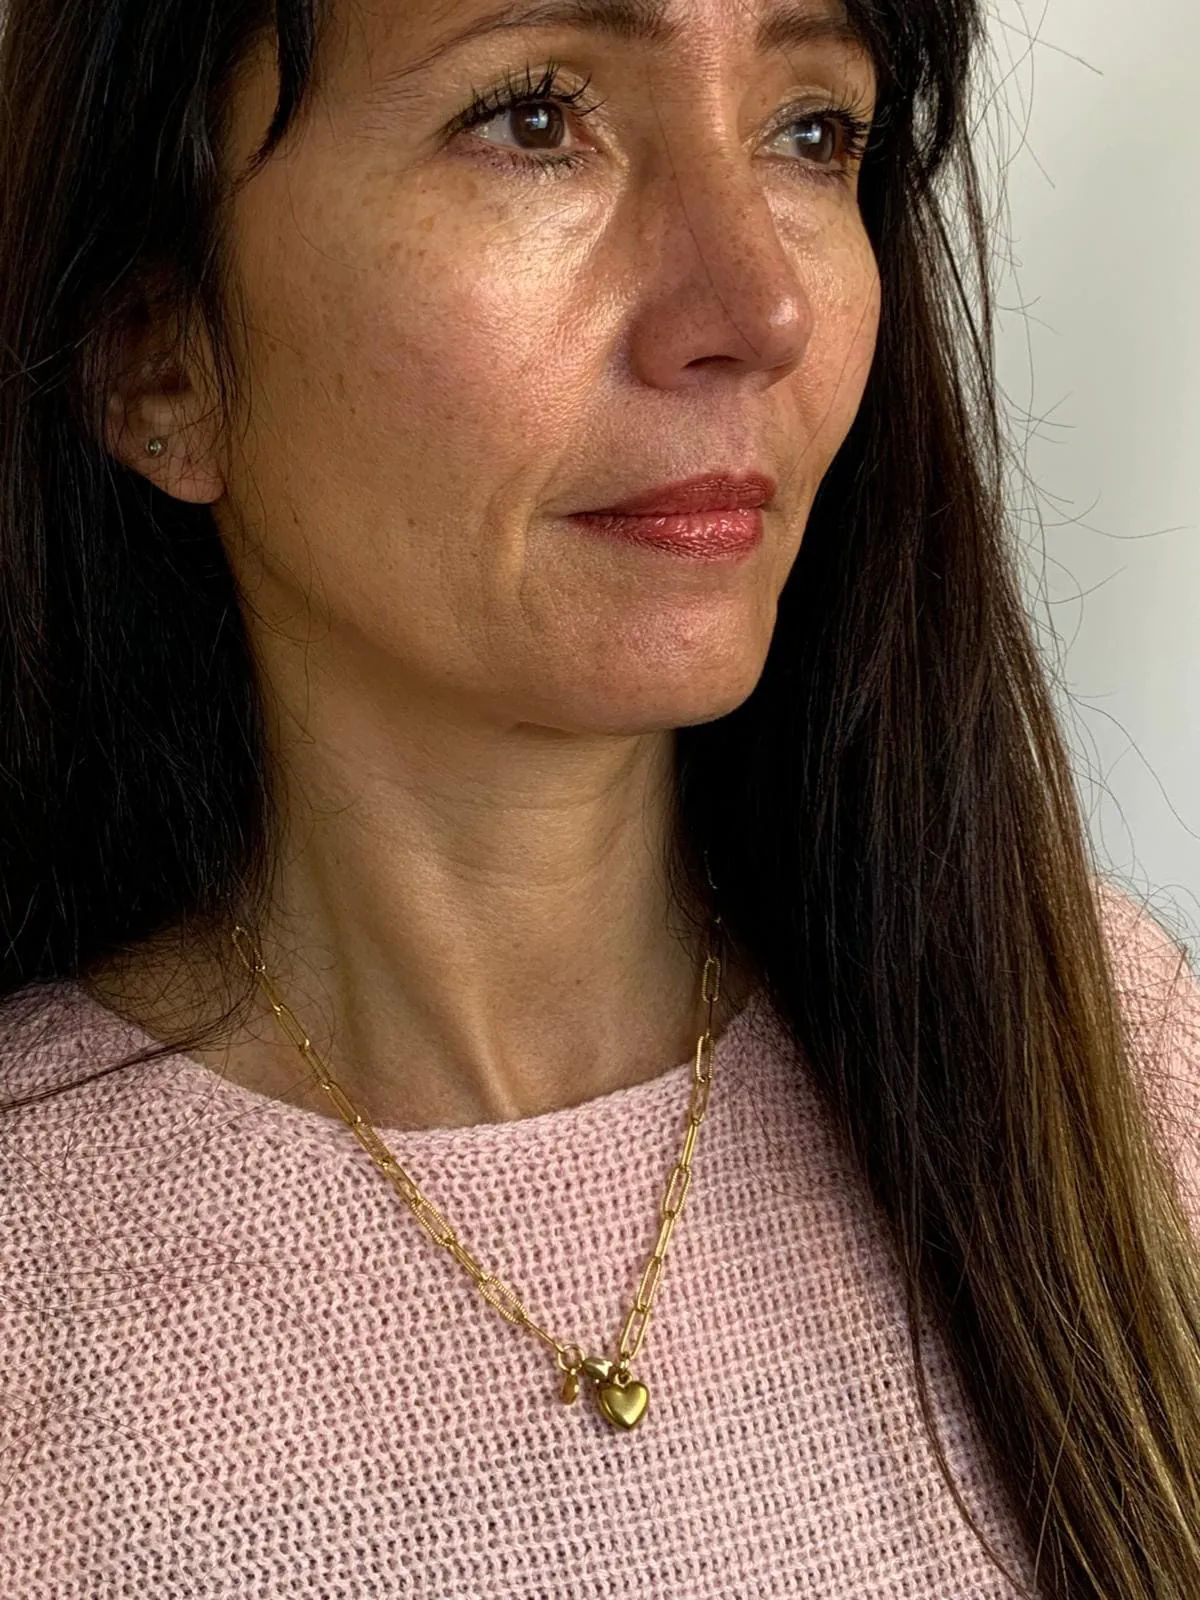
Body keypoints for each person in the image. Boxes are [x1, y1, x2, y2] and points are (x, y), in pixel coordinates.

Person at [1, 0, 1198, 1594]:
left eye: (813, 131)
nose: (759, 306)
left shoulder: (1112, 1073)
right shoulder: (33, 1302)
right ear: (158, 357)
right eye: (536, 117)